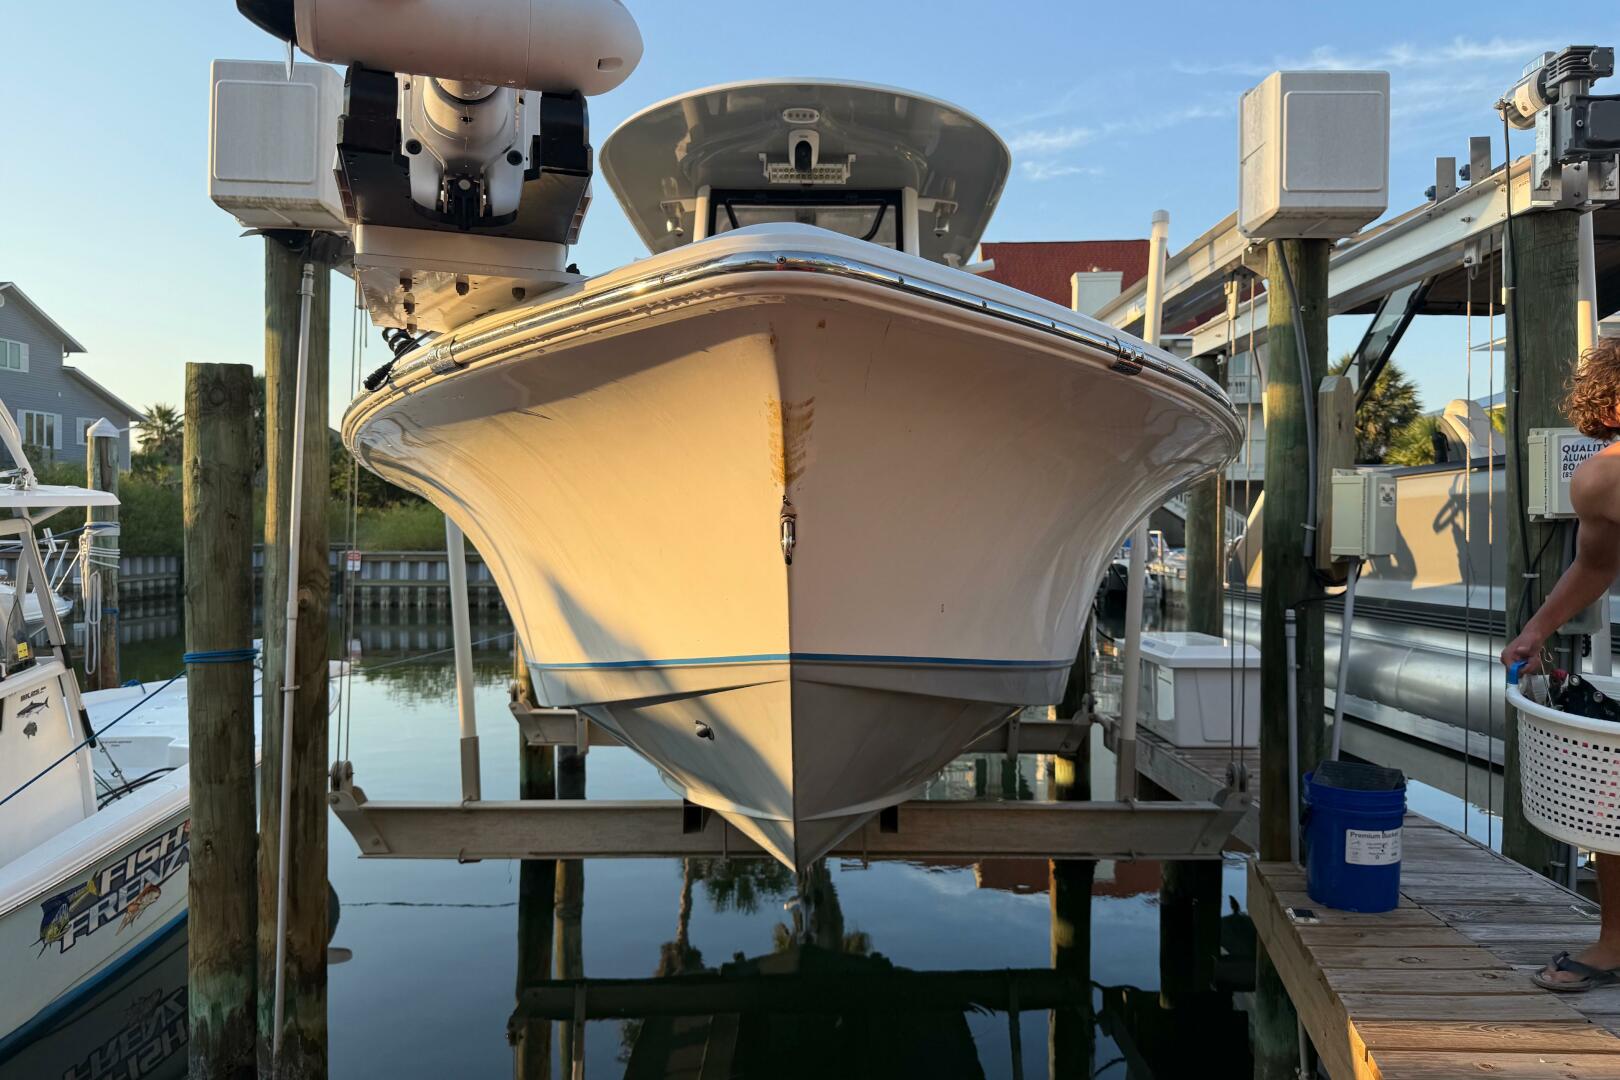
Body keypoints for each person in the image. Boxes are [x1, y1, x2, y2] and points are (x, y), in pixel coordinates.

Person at [1501, 337, 1620, 991]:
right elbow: (1596, 564)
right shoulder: (1601, 477)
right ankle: (1615, 944)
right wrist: (1537, 629)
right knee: (1611, 791)